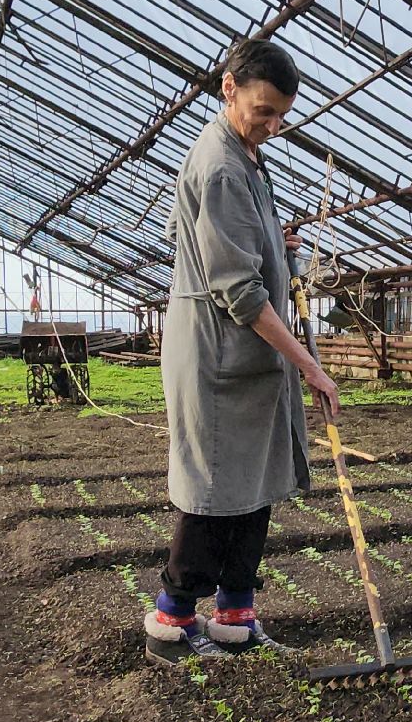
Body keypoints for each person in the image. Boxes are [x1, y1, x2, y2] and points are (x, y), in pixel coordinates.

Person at [144, 38, 341, 666]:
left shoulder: (247, 157)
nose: (273, 125)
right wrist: (307, 362)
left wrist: (270, 238)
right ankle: (171, 623)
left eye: (282, 114)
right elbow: (234, 287)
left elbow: (202, 236)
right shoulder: (223, 164)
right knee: (212, 489)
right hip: (218, 355)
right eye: (263, 111)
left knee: (253, 488)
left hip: (248, 362)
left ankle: (235, 615)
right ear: (229, 87)